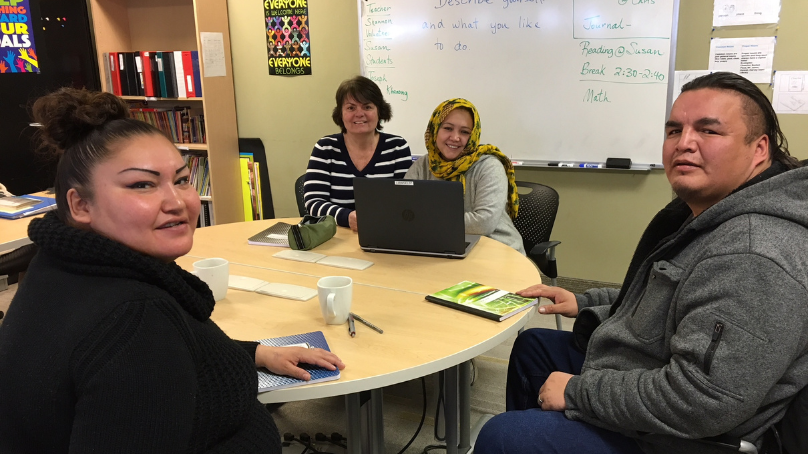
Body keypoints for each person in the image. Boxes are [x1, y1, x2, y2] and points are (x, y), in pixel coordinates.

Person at [475, 72, 808, 454]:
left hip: (690, 438)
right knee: (534, 346)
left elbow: (703, 401)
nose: (684, 143)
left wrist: (578, 392)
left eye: (709, 131)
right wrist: (585, 301)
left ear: (759, 149)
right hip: (656, 368)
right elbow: (673, 294)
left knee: (503, 436)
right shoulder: (713, 212)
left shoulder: (754, 254)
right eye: (673, 130)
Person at [0, 88, 345, 453]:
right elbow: (136, 350)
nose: (178, 202)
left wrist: (257, 353)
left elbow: (152, 358)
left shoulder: (61, 267)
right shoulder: (136, 319)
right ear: (81, 204)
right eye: (142, 185)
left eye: (181, 179)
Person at [405, 98, 525, 255]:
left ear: (473, 135)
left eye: (464, 132)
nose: (455, 137)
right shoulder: (423, 165)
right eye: (448, 128)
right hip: (442, 246)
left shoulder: (489, 166)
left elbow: (483, 223)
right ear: (435, 130)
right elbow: (404, 209)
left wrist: (425, 219)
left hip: (496, 248)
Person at [304, 75, 412, 231]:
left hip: (385, 233)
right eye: (351, 107)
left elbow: (406, 201)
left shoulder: (397, 147)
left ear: (379, 111)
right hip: (336, 237)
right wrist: (346, 217)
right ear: (340, 113)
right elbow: (313, 202)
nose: (359, 113)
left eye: (367, 107)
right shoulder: (325, 148)